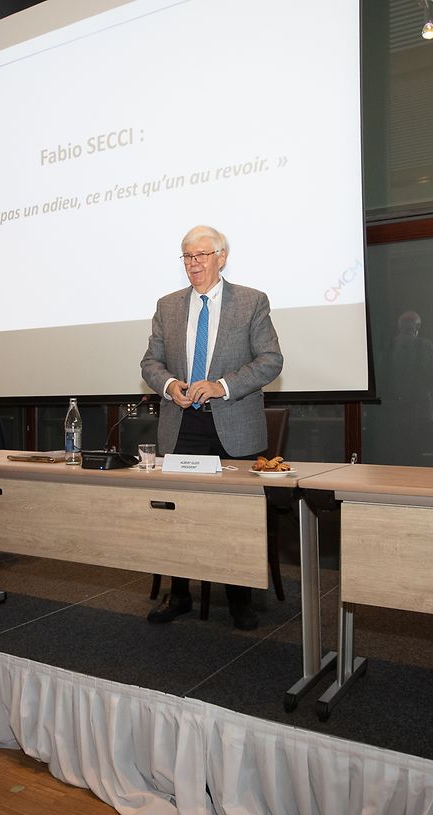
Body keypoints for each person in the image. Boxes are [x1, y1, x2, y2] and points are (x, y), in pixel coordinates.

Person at [140, 225, 284, 630]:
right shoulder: (167, 305)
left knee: (236, 516)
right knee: (178, 513)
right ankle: (179, 595)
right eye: (187, 256)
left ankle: (240, 600)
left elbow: (271, 360)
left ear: (222, 257)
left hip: (234, 425)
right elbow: (150, 363)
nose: (194, 263)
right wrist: (171, 385)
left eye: (202, 255)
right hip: (182, 424)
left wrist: (221, 386)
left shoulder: (251, 301)